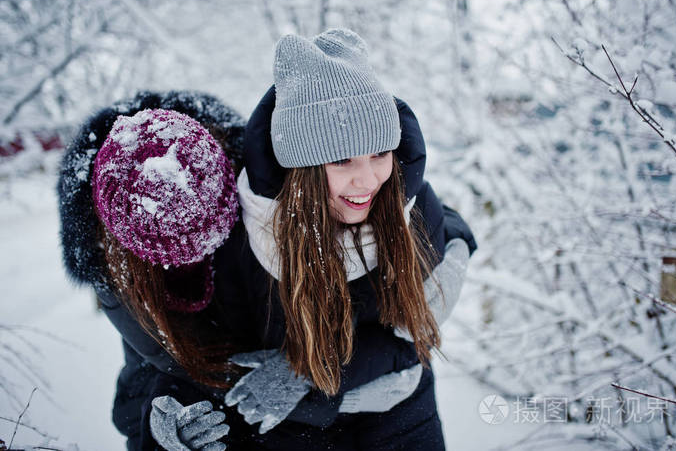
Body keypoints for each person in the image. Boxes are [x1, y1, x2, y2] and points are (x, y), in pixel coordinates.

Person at [212, 28, 477, 450]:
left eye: (379, 153)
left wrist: (313, 376)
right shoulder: (245, 234)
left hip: (404, 423)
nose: (369, 180)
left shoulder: (406, 205)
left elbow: (411, 341)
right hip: (290, 436)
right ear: (302, 169)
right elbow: (220, 356)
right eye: (342, 159)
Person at [57, 91, 258, 450]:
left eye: (209, 237)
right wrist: (161, 435)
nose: (194, 258)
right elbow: (149, 382)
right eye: (173, 253)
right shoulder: (112, 266)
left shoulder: (257, 203)